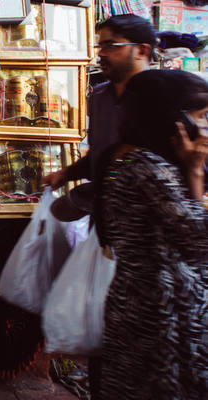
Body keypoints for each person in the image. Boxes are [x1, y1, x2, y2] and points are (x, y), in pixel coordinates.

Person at [94, 69, 208, 399]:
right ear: (174, 119)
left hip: (141, 300)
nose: (203, 127)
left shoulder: (122, 157)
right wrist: (196, 174)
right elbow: (199, 240)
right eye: (200, 116)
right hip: (161, 308)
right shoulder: (146, 166)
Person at [41, 14, 156, 190]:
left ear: (142, 50)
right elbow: (99, 156)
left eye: (110, 45)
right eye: (99, 46)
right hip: (106, 211)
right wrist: (65, 174)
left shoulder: (161, 97)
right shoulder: (99, 98)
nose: (100, 53)